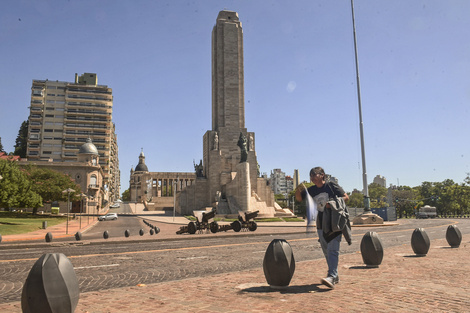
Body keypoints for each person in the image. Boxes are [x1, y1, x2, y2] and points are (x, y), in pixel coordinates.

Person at [295, 166, 350, 289]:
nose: (313, 177)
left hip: (334, 222)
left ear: (322, 175)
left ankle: (332, 275)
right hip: (320, 223)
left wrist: (332, 204)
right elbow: (299, 198)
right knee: (326, 250)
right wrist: (298, 191)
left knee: (332, 249)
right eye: (311, 175)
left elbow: (346, 197)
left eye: (315, 174)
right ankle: (334, 275)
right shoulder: (312, 190)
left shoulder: (331, 186)